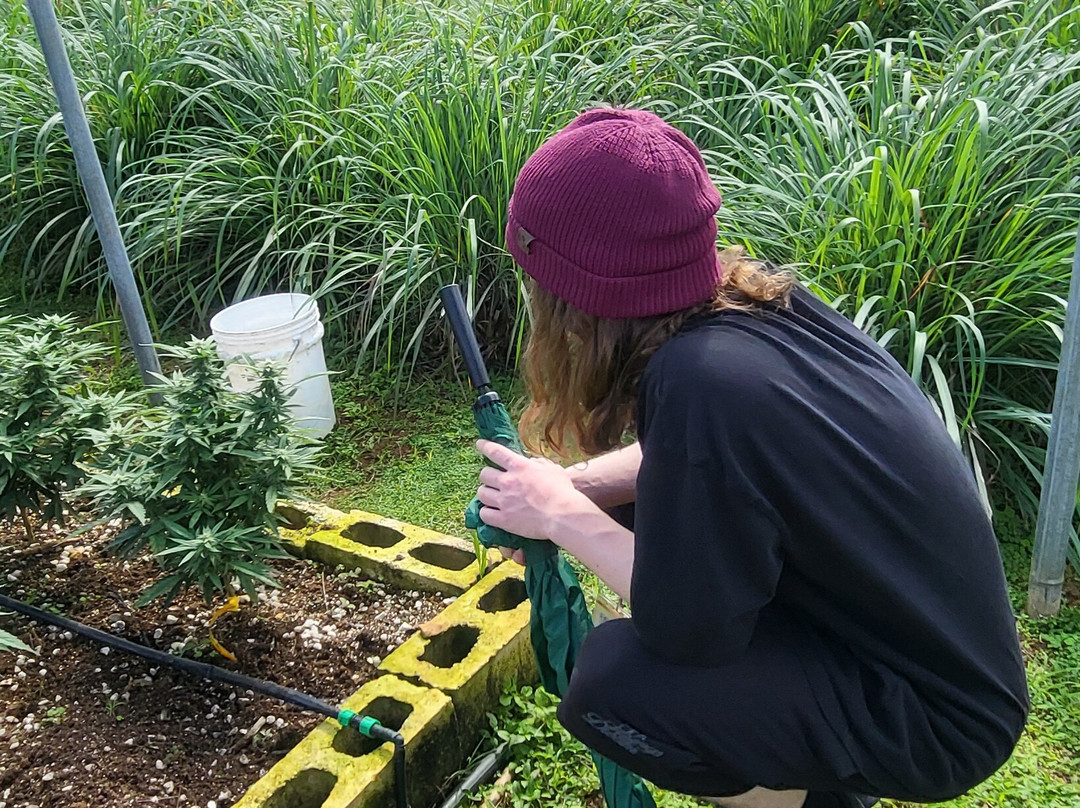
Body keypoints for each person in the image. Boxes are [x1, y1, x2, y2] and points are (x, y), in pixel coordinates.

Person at [472, 108, 1029, 808]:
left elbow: (688, 630)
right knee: (650, 514)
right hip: (931, 656)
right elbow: (706, 466)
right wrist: (572, 487)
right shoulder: (751, 311)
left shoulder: (697, 379)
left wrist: (560, 517)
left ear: (575, 295)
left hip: (934, 717)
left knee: (617, 683)